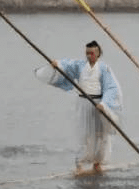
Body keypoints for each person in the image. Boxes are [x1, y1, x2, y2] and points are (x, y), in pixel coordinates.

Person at [44, 40, 122, 173]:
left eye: (91, 53)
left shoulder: (104, 68)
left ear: (98, 54)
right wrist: (58, 64)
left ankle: (97, 163)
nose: (88, 56)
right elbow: (68, 65)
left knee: (100, 135)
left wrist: (103, 104)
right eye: (87, 53)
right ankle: (79, 164)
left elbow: (111, 88)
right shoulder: (80, 65)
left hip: (98, 105)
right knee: (84, 134)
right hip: (83, 103)